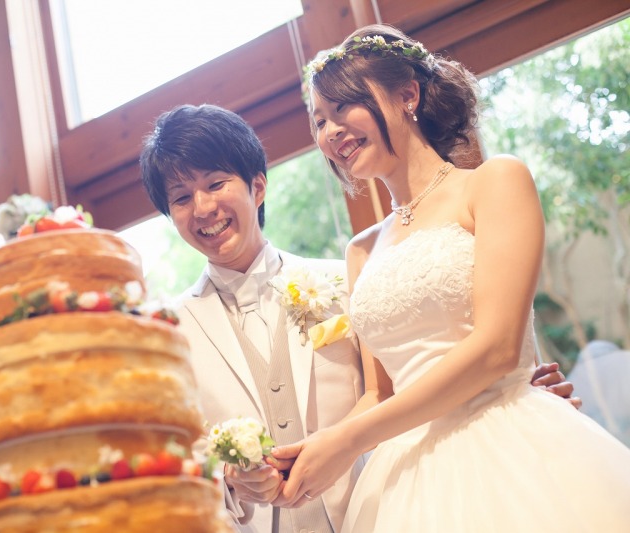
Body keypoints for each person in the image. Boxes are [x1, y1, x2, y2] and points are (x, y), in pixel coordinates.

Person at [138, 103, 581, 532]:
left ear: (257, 187)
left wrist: (515, 392)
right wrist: (229, 480)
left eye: (215, 184)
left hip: (383, 513)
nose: (202, 208)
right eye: (181, 198)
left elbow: (413, 374)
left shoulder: (356, 282)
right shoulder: (164, 335)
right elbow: (168, 463)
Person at [267, 23, 630, 532]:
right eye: (319, 120)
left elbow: (498, 348)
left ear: (407, 96)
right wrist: (314, 451)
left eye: (343, 106)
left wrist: (349, 441)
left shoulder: (494, 182)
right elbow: (380, 393)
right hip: (408, 477)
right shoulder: (361, 249)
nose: (331, 132)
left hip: (507, 442)